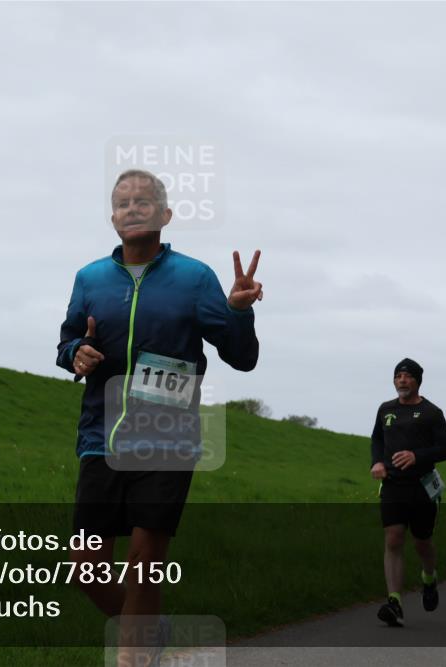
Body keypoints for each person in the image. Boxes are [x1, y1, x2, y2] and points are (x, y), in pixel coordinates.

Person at [57, 169, 262, 665]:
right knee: (85, 567)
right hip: (101, 436)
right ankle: (151, 630)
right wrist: (76, 352)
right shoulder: (89, 279)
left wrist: (238, 312)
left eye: (143, 201)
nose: (132, 208)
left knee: (144, 564)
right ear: (113, 218)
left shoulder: (194, 277)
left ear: (165, 215)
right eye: (122, 203)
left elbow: (242, 357)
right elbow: (67, 342)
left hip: (168, 437)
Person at [370, 358, 446, 627]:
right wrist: (377, 462)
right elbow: (377, 439)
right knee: (393, 539)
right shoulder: (386, 409)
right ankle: (394, 602)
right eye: (398, 376)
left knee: (422, 542)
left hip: (422, 486)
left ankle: (429, 578)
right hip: (393, 484)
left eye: (407, 376)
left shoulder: (431, 412)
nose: (402, 380)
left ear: (417, 381)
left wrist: (417, 456)